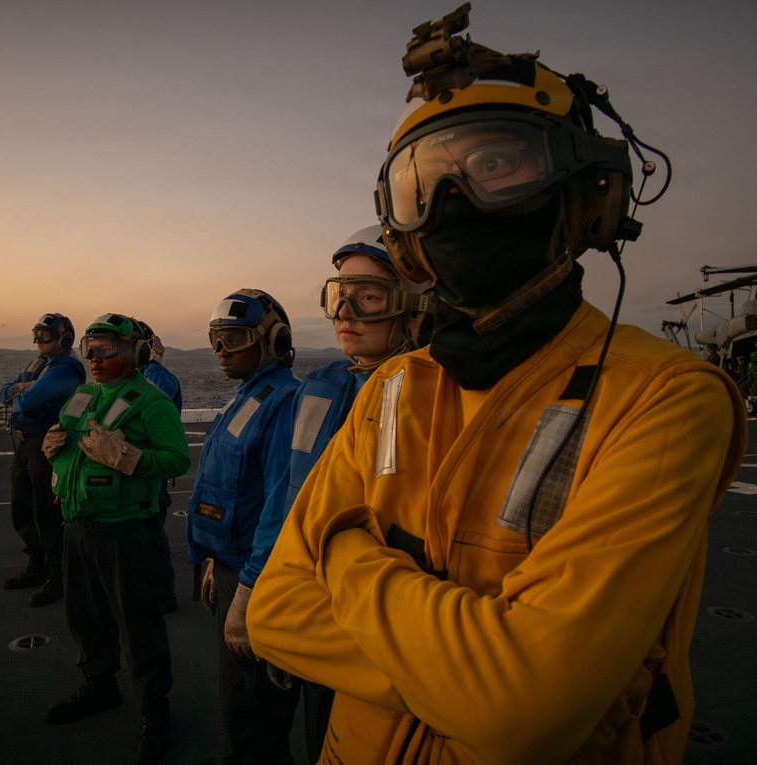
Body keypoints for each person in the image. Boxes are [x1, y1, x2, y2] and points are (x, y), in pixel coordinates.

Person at [247, 8, 747, 765]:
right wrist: (471, 676)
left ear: (587, 194)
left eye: (495, 163)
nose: (452, 198)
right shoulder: (393, 386)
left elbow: (523, 709)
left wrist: (346, 553)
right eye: (422, 184)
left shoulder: (667, 397)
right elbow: (277, 614)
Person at [273, 225, 432, 762]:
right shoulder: (319, 384)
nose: (344, 313)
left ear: (416, 307)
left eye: (369, 298)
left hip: (373, 621)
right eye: (339, 296)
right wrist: (255, 580)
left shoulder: (433, 398)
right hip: (302, 596)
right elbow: (287, 490)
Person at [40, 313, 190, 765]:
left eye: (106, 350)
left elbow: (177, 459)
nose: (94, 358)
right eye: (90, 349)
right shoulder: (83, 395)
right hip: (78, 523)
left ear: (135, 354)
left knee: (138, 626)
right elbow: (70, 445)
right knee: (86, 617)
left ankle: (155, 708)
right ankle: (100, 685)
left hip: (126, 529)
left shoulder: (153, 402)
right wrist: (53, 448)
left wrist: (129, 457)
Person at [185, 288, 301, 765]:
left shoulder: (285, 402)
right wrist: (216, 560)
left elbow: (282, 506)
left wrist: (248, 591)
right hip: (234, 565)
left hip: (260, 578)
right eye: (216, 338)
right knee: (237, 696)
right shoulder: (250, 395)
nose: (221, 350)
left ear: (274, 341)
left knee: (256, 707)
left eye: (234, 338)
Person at [0, 313, 86, 607]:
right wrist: (18, 390)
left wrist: (20, 392)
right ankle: (37, 565)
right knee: (22, 511)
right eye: (36, 334)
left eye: (45, 335)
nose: (38, 341)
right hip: (25, 445)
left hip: (44, 447)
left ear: (63, 338)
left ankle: (58, 575)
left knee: (46, 514)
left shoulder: (65, 370)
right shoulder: (41, 364)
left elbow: (26, 401)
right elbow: (3, 392)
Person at [137, 320, 182, 613]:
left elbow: (156, 396)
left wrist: (153, 363)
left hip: (152, 473)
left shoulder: (160, 379)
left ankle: (163, 597)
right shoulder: (136, 378)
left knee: (152, 538)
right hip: (135, 471)